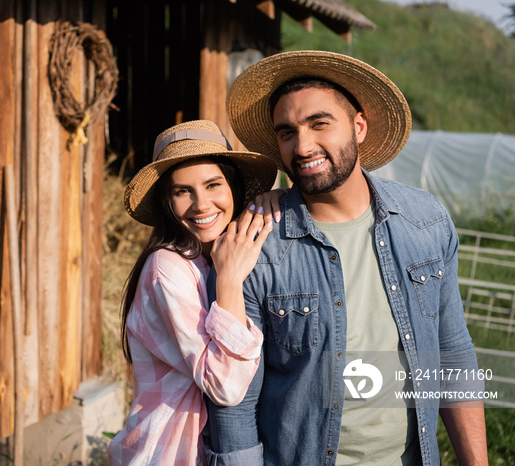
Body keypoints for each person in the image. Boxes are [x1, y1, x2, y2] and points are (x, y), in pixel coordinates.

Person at [205, 50, 488, 465]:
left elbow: (451, 353)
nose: (302, 146)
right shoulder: (256, 248)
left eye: (319, 123)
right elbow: (235, 405)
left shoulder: (425, 221)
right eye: (287, 132)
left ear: (358, 127)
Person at [108, 119, 281, 465]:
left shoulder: (211, 256)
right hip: (166, 455)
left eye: (213, 184)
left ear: (232, 186)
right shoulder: (167, 266)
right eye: (182, 191)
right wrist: (230, 280)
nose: (201, 205)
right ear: (167, 202)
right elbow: (225, 386)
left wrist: (274, 201)